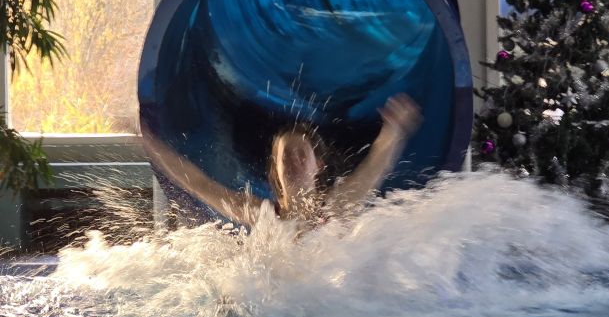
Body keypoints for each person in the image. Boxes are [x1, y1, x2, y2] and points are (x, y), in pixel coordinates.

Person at [141, 93, 422, 229]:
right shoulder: (262, 214)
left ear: (318, 166)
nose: (294, 160)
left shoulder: (336, 208)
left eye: (302, 154)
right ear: (274, 171)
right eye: (286, 156)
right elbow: (199, 184)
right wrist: (150, 143)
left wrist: (393, 129)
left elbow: (375, 166)